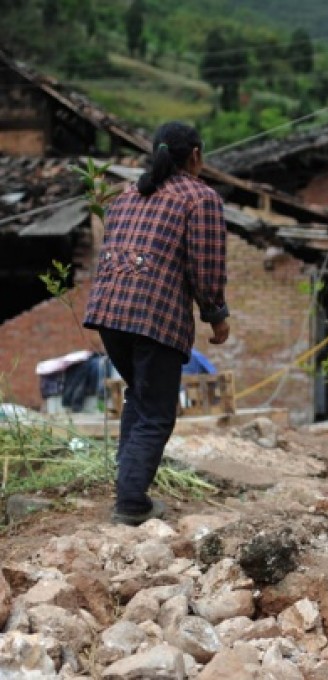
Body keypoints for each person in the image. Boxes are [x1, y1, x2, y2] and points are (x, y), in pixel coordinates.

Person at [84, 121, 230, 526]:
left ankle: (126, 485)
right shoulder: (200, 198)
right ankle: (131, 504)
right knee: (155, 411)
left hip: (110, 313)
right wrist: (216, 314)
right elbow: (207, 265)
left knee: (140, 398)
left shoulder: (129, 195)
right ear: (196, 156)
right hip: (154, 317)